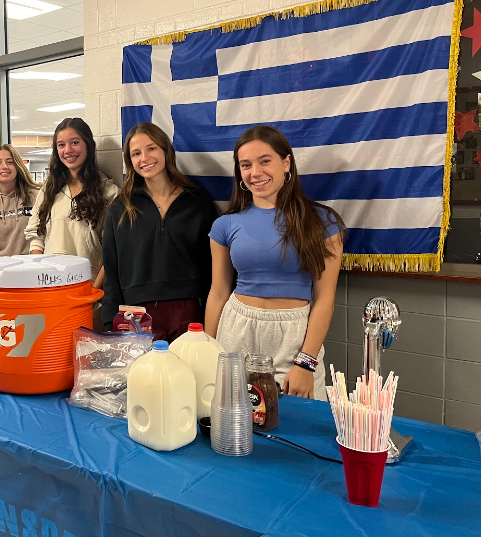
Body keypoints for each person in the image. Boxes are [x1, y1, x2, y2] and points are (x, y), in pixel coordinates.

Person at [204, 125, 345, 400]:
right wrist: (206, 352)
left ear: (286, 163)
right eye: (246, 165)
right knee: (236, 424)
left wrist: (306, 362)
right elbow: (218, 292)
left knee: (297, 426)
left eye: (264, 161)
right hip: (236, 330)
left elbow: (325, 298)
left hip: (294, 338)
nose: (255, 172)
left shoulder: (324, 223)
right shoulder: (225, 225)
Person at [101, 123, 218, 343]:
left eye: (151, 148)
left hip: (188, 311)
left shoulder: (197, 203)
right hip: (134, 315)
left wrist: (212, 319)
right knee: (144, 378)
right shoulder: (120, 209)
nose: (144, 158)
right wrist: (110, 323)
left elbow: (211, 268)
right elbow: (112, 272)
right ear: (130, 161)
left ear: (165, 150)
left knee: (187, 376)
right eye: (136, 153)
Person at [24, 118, 118, 289]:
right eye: (61, 145)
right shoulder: (48, 190)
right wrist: (38, 274)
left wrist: (94, 294)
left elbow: (112, 250)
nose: (68, 150)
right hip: (50, 287)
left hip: (88, 288)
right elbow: (36, 235)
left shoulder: (108, 192)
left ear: (88, 145)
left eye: (74, 142)